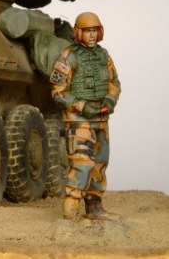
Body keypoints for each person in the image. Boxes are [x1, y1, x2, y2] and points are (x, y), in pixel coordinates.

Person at [50, 12, 121, 221]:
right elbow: (58, 91)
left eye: (95, 31)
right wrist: (81, 106)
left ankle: (94, 208)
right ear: (78, 32)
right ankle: (70, 213)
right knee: (82, 165)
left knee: (99, 164)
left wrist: (110, 100)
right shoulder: (68, 57)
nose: (92, 35)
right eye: (88, 31)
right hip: (78, 121)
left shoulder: (104, 56)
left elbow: (114, 83)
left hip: (101, 119)